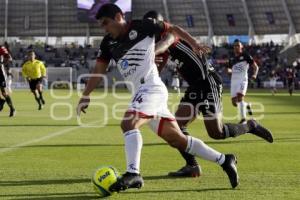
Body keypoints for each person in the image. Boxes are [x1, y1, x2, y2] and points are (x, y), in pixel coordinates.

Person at [77, 3, 239, 192]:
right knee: (178, 140)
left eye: (106, 23)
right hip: (142, 92)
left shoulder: (142, 26)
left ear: (119, 16)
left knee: (129, 123)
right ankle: (225, 160)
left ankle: (133, 173)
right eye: (102, 25)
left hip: (151, 89)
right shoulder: (107, 44)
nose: (104, 28)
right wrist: (86, 95)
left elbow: (174, 30)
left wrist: (194, 44)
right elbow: (98, 70)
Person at [144, 11, 273, 177]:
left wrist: (149, 54)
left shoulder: (169, 35)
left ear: (160, 25)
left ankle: (250, 126)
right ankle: (192, 166)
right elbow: (158, 66)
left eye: (153, 29)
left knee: (216, 133)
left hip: (208, 82)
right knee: (176, 126)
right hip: (195, 87)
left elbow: (165, 42)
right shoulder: (161, 46)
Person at [227, 39, 258, 124]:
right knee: (234, 103)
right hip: (234, 82)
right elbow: (229, 68)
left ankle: (243, 119)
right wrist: (229, 71)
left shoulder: (246, 55)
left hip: (242, 80)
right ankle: (247, 105)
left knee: (240, 97)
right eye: (235, 46)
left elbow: (255, 66)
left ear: (241, 47)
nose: (236, 47)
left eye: (238, 45)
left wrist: (254, 74)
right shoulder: (231, 59)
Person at [0, 45, 16, 117]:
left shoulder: (1, 47)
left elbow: (9, 58)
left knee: (4, 92)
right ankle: (1, 101)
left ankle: (12, 108)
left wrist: (2, 63)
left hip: (0, 73)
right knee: (3, 93)